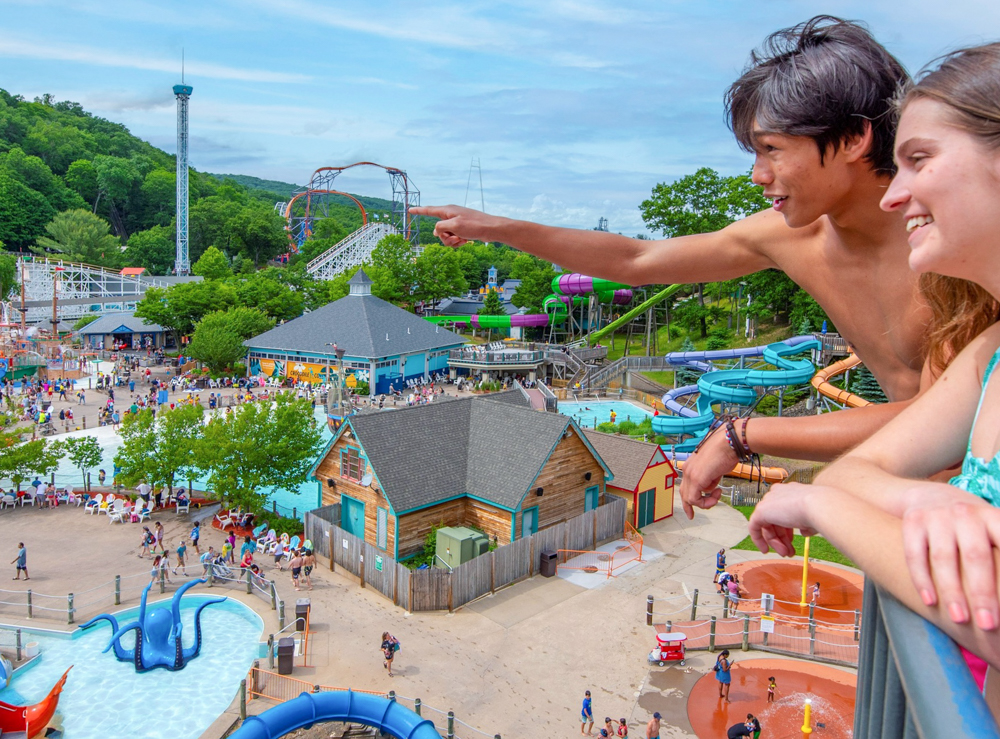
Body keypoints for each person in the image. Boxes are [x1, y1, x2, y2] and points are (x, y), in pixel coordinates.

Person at [412, 17, 952, 515]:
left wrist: (740, 434)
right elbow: (637, 259)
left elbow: (941, 418)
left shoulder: (954, 251)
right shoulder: (792, 235)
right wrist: (496, 228)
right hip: (914, 496)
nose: (758, 175)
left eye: (772, 150)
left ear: (855, 138)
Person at [746, 43, 1000, 676]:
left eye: (918, 160)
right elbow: (849, 475)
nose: (895, 195)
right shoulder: (989, 355)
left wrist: (822, 508)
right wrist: (902, 502)